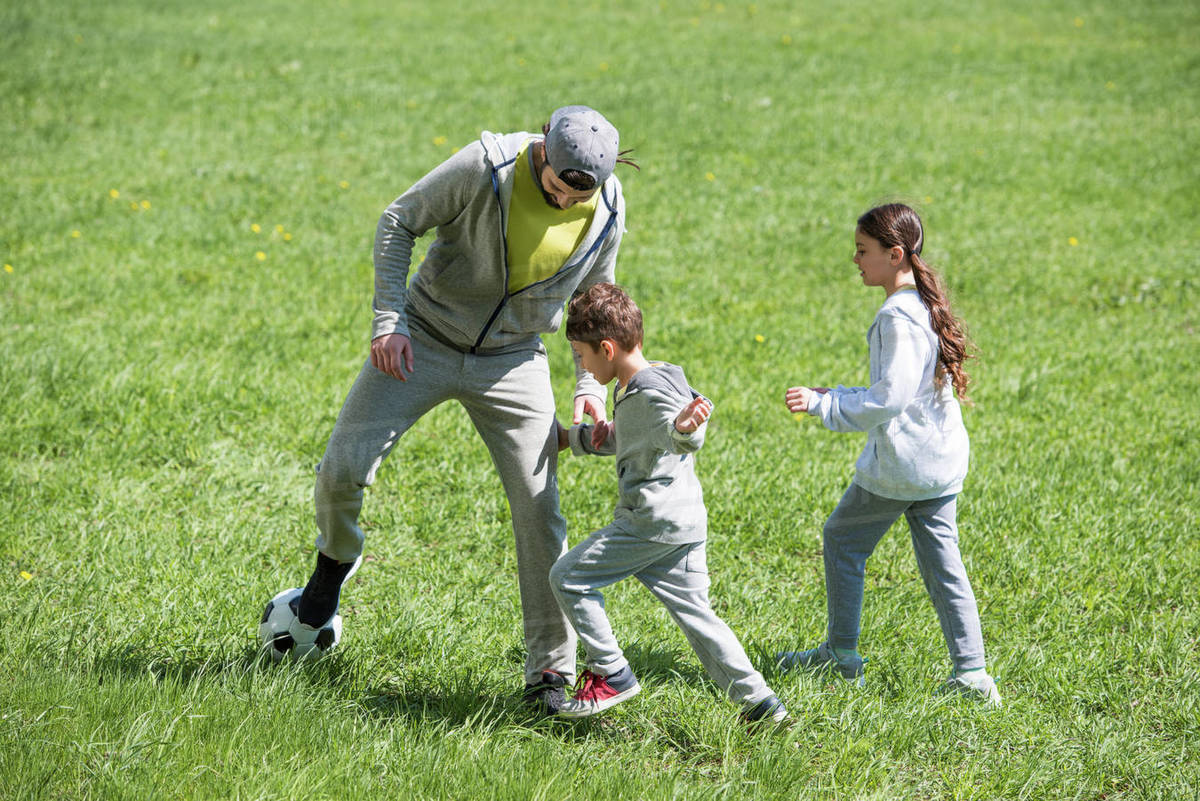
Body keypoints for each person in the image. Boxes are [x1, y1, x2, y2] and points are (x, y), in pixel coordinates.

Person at [292, 106, 635, 715]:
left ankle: (548, 675)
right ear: (542, 156)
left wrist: (588, 384)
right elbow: (399, 220)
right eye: (554, 190)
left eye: (572, 199)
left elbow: (592, 301)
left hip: (513, 359)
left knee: (540, 512)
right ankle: (333, 564)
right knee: (343, 468)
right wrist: (390, 321)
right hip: (419, 339)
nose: (561, 204)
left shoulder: (606, 206)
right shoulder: (488, 165)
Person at [776, 203, 1000, 707]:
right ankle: (973, 675)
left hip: (902, 466)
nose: (855, 260)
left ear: (895, 254)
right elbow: (904, 388)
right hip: (939, 462)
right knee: (945, 566)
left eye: (862, 251)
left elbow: (890, 399)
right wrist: (837, 390)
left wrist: (822, 405)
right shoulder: (922, 302)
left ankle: (841, 654)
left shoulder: (895, 316)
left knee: (842, 540)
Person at [549, 283, 789, 725]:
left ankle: (612, 673)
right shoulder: (650, 376)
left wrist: (685, 428)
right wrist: (579, 439)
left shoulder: (650, 393)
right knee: (698, 617)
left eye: (582, 356)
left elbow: (679, 432)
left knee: (568, 577)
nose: (581, 365)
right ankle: (761, 705)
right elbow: (637, 438)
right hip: (685, 521)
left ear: (606, 348)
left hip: (650, 523)